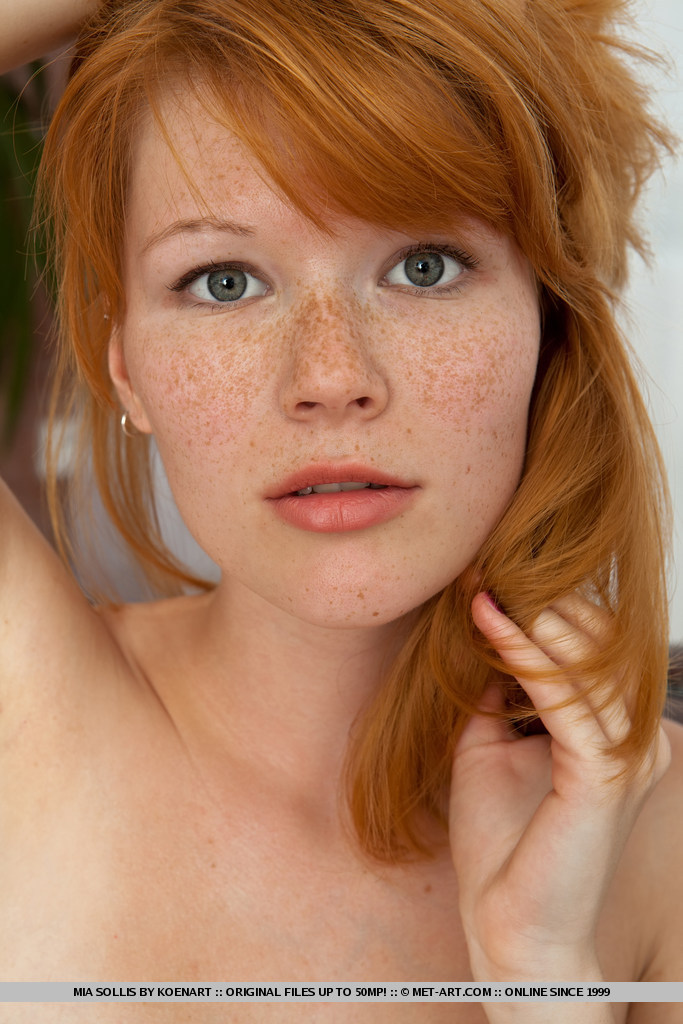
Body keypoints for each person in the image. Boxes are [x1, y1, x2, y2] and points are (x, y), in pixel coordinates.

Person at [0, 0, 681, 1020]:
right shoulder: (18, 705)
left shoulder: (658, 851)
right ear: (125, 366)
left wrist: (543, 973)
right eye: (223, 281)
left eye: (423, 267)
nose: (329, 377)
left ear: (547, 327)